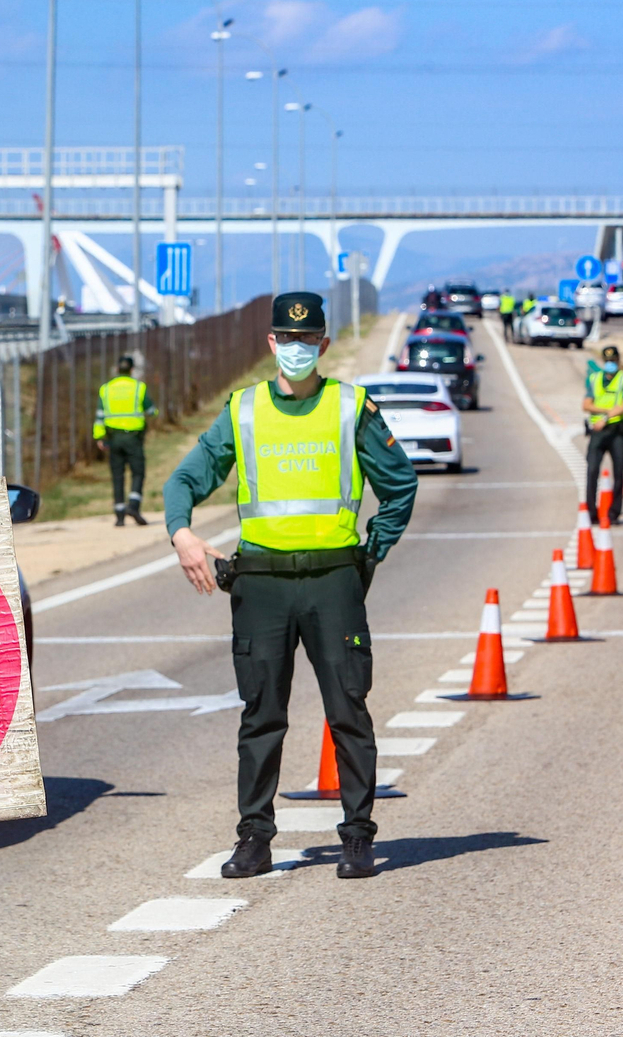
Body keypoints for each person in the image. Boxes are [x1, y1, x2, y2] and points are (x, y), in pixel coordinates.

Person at [164, 292, 419, 880]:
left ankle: (357, 836)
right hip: (263, 587)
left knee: (348, 711)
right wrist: (181, 534)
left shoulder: (351, 406)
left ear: (323, 344)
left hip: (333, 581)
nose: (298, 349)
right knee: (260, 716)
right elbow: (186, 479)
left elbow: (399, 485)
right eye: (288, 339)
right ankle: (254, 836)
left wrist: (368, 555)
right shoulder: (244, 409)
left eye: (309, 340)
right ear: (271, 343)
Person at [94, 354, 157, 526]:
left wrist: (99, 436)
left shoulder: (106, 389)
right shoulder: (139, 387)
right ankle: (134, 506)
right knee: (138, 472)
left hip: (113, 437)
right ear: (131, 369)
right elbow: (151, 410)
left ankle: (120, 514)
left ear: (116, 369)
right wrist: (153, 413)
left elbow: (99, 415)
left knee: (117, 474)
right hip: (133, 437)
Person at [582, 344, 623, 528]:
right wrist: (605, 410)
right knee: (592, 470)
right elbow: (586, 404)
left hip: (617, 431)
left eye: (613, 361)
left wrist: (605, 416)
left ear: (618, 361)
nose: (610, 364)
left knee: (619, 472)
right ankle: (591, 511)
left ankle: (614, 513)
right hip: (598, 431)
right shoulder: (595, 378)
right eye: (607, 361)